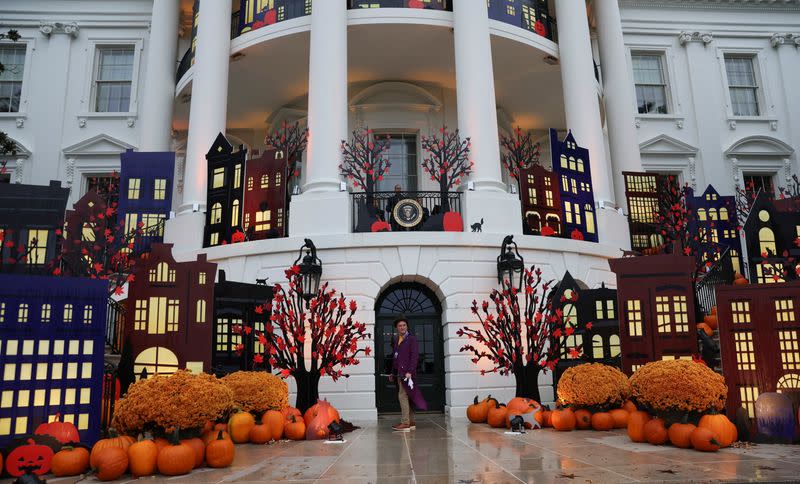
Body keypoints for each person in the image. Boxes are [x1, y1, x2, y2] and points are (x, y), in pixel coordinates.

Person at [389, 317, 427, 431]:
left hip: (407, 375)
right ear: (397, 328)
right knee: (407, 396)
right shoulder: (397, 340)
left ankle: (405, 423)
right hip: (399, 373)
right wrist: (392, 372)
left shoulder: (412, 339)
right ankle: (411, 421)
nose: (402, 327)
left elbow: (414, 357)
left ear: (407, 327)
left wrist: (410, 371)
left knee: (402, 396)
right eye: (400, 326)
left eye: (404, 325)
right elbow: (395, 358)